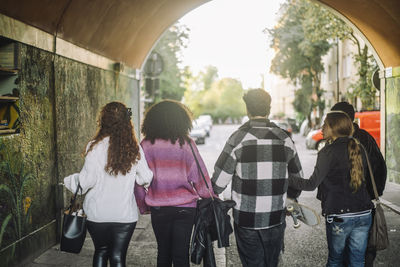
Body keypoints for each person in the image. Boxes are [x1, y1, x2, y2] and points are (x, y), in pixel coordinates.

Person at [211, 89, 303, 267]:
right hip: (276, 218)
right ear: (268, 109)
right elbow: (298, 180)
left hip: (247, 219)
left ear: (248, 110)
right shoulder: (284, 139)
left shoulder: (237, 139)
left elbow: (218, 184)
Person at [64, 102, 153, 267]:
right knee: (118, 256)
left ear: (103, 121)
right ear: (127, 122)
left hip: (97, 214)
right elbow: (145, 178)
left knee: (101, 251)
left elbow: (86, 181)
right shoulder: (134, 148)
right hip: (124, 215)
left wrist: (69, 180)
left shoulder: (94, 146)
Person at [134, 100, 216, 267]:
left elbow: (138, 180)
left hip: (159, 207)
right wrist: (211, 197)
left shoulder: (145, 145)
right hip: (186, 208)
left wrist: (143, 205)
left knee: (163, 252)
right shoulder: (187, 144)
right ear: (181, 120)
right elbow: (200, 177)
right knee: (180, 254)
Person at [289, 111, 374, 266]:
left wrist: (286, 178)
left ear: (334, 128)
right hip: (364, 213)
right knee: (357, 260)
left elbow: (311, 184)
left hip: (339, 215)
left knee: (336, 260)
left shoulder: (327, 152)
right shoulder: (359, 147)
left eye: (325, 125)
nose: (322, 128)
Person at [331, 101, 387, 266]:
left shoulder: (338, 142)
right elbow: (380, 170)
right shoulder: (366, 138)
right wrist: (370, 196)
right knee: (363, 253)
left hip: (344, 209)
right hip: (364, 207)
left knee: (342, 253)